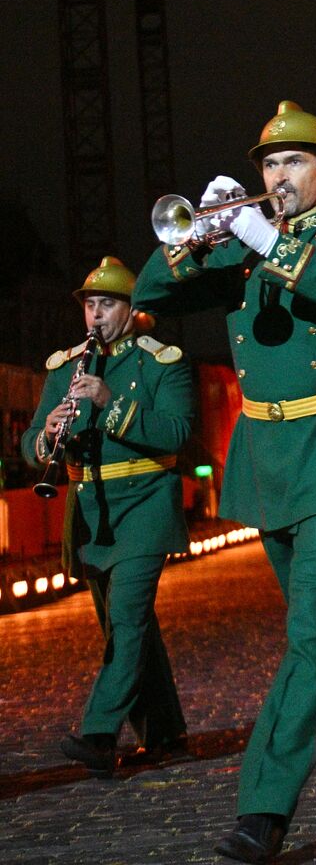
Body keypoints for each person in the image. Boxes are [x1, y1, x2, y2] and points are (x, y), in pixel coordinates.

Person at [134, 101, 316, 862]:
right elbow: (153, 292)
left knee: (310, 632)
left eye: (292, 162)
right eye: (267, 164)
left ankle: (265, 806)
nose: (277, 175)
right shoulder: (244, 244)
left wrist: (270, 243)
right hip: (267, 453)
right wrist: (203, 231)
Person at [22, 257, 192, 778]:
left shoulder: (162, 361)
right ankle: (166, 734)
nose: (96, 315)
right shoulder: (64, 367)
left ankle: (99, 733)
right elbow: (30, 444)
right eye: (90, 306)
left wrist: (111, 403)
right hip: (91, 511)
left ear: (131, 309)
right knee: (127, 627)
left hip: (145, 505)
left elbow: (178, 433)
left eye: (107, 304)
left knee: (128, 618)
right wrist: (48, 436)